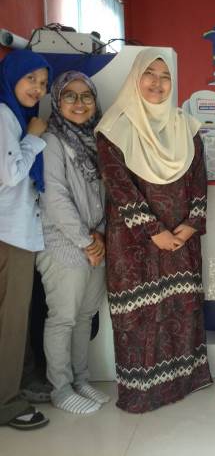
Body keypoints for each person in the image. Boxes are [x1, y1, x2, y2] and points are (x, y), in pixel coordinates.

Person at [95, 48, 211, 413]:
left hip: (181, 241)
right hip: (133, 244)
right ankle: (143, 393)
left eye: (165, 77)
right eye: (150, 74)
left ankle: (183, 382)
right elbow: (119, 187)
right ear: (135, 78)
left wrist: (189, 227)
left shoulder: (186, 126)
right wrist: (154, 231)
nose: (158, 83)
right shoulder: (115, 127)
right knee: (140, 318)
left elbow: (199, 180)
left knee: (180, 310)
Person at [37, 71, 108, 414]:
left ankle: (80, 379)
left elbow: (107, 193)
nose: (79, 103)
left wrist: (100, 235)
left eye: (86, 96)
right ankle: (61, 388)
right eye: (70, 96)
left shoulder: (98, 140)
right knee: (63, 317)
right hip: (63, 242)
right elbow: (55, 198)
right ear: (57, 101)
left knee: (85, 316)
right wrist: (86, 241)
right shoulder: (51, 141)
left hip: (96, 240)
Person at [0, 49, 50, 430]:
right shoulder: (5, 115)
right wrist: (34, 138)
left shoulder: (12, 114)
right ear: (11, 75)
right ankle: (6, 402)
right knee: (11, 322)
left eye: (43, 83)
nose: (37, 88)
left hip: (13, 232)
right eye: (30, 78)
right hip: (9, 234)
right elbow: (11, 174)